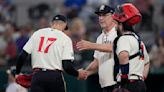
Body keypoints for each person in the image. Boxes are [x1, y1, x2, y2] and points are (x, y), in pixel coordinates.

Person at [15, 14, 87, 92]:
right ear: (64, 25)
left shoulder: (37, 33)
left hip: (37, 76)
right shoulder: (65, 38)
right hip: (54, 77)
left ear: (52, 23)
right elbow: (67, 66)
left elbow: (22, 56)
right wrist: (77, 73)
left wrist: (17, 72)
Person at [77, 5, 118, 92]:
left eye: (104, 15)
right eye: (99, 15)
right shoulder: (100, 37)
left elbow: (115, 47)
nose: (100, 18)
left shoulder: (118, 32)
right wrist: (85, 73)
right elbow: (97, 62)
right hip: (105, 85)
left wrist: (91, 45)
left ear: (113, 16)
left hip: (118, 83)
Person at [111, 3, 150, 92]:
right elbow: (147, 62)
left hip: (127, 84)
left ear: (121, 24)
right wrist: (141, 78)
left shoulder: (123, 39)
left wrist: (124, 79)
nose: (115, 26)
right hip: (139, 85)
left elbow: (124, 56)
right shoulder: (139, 41)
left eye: (117, 23)